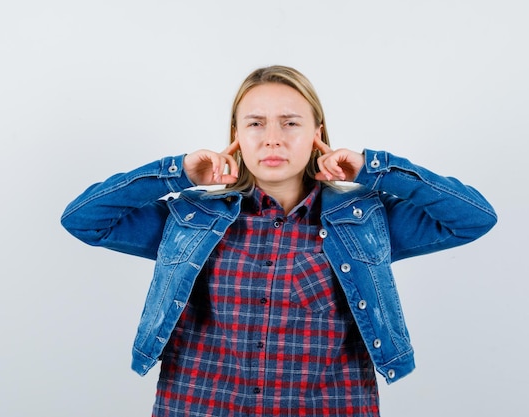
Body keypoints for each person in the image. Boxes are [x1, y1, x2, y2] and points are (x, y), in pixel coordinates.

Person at [60, 65, 497, 416]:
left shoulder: (365, 221)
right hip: (199, 405)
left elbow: (473, 218)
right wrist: (177, 171)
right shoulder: (191, 218)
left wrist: (375, 168)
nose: (272, 138)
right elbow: (84, 219)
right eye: (255, 123)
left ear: (317, 133)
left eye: (291, 122)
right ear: (236, 134)